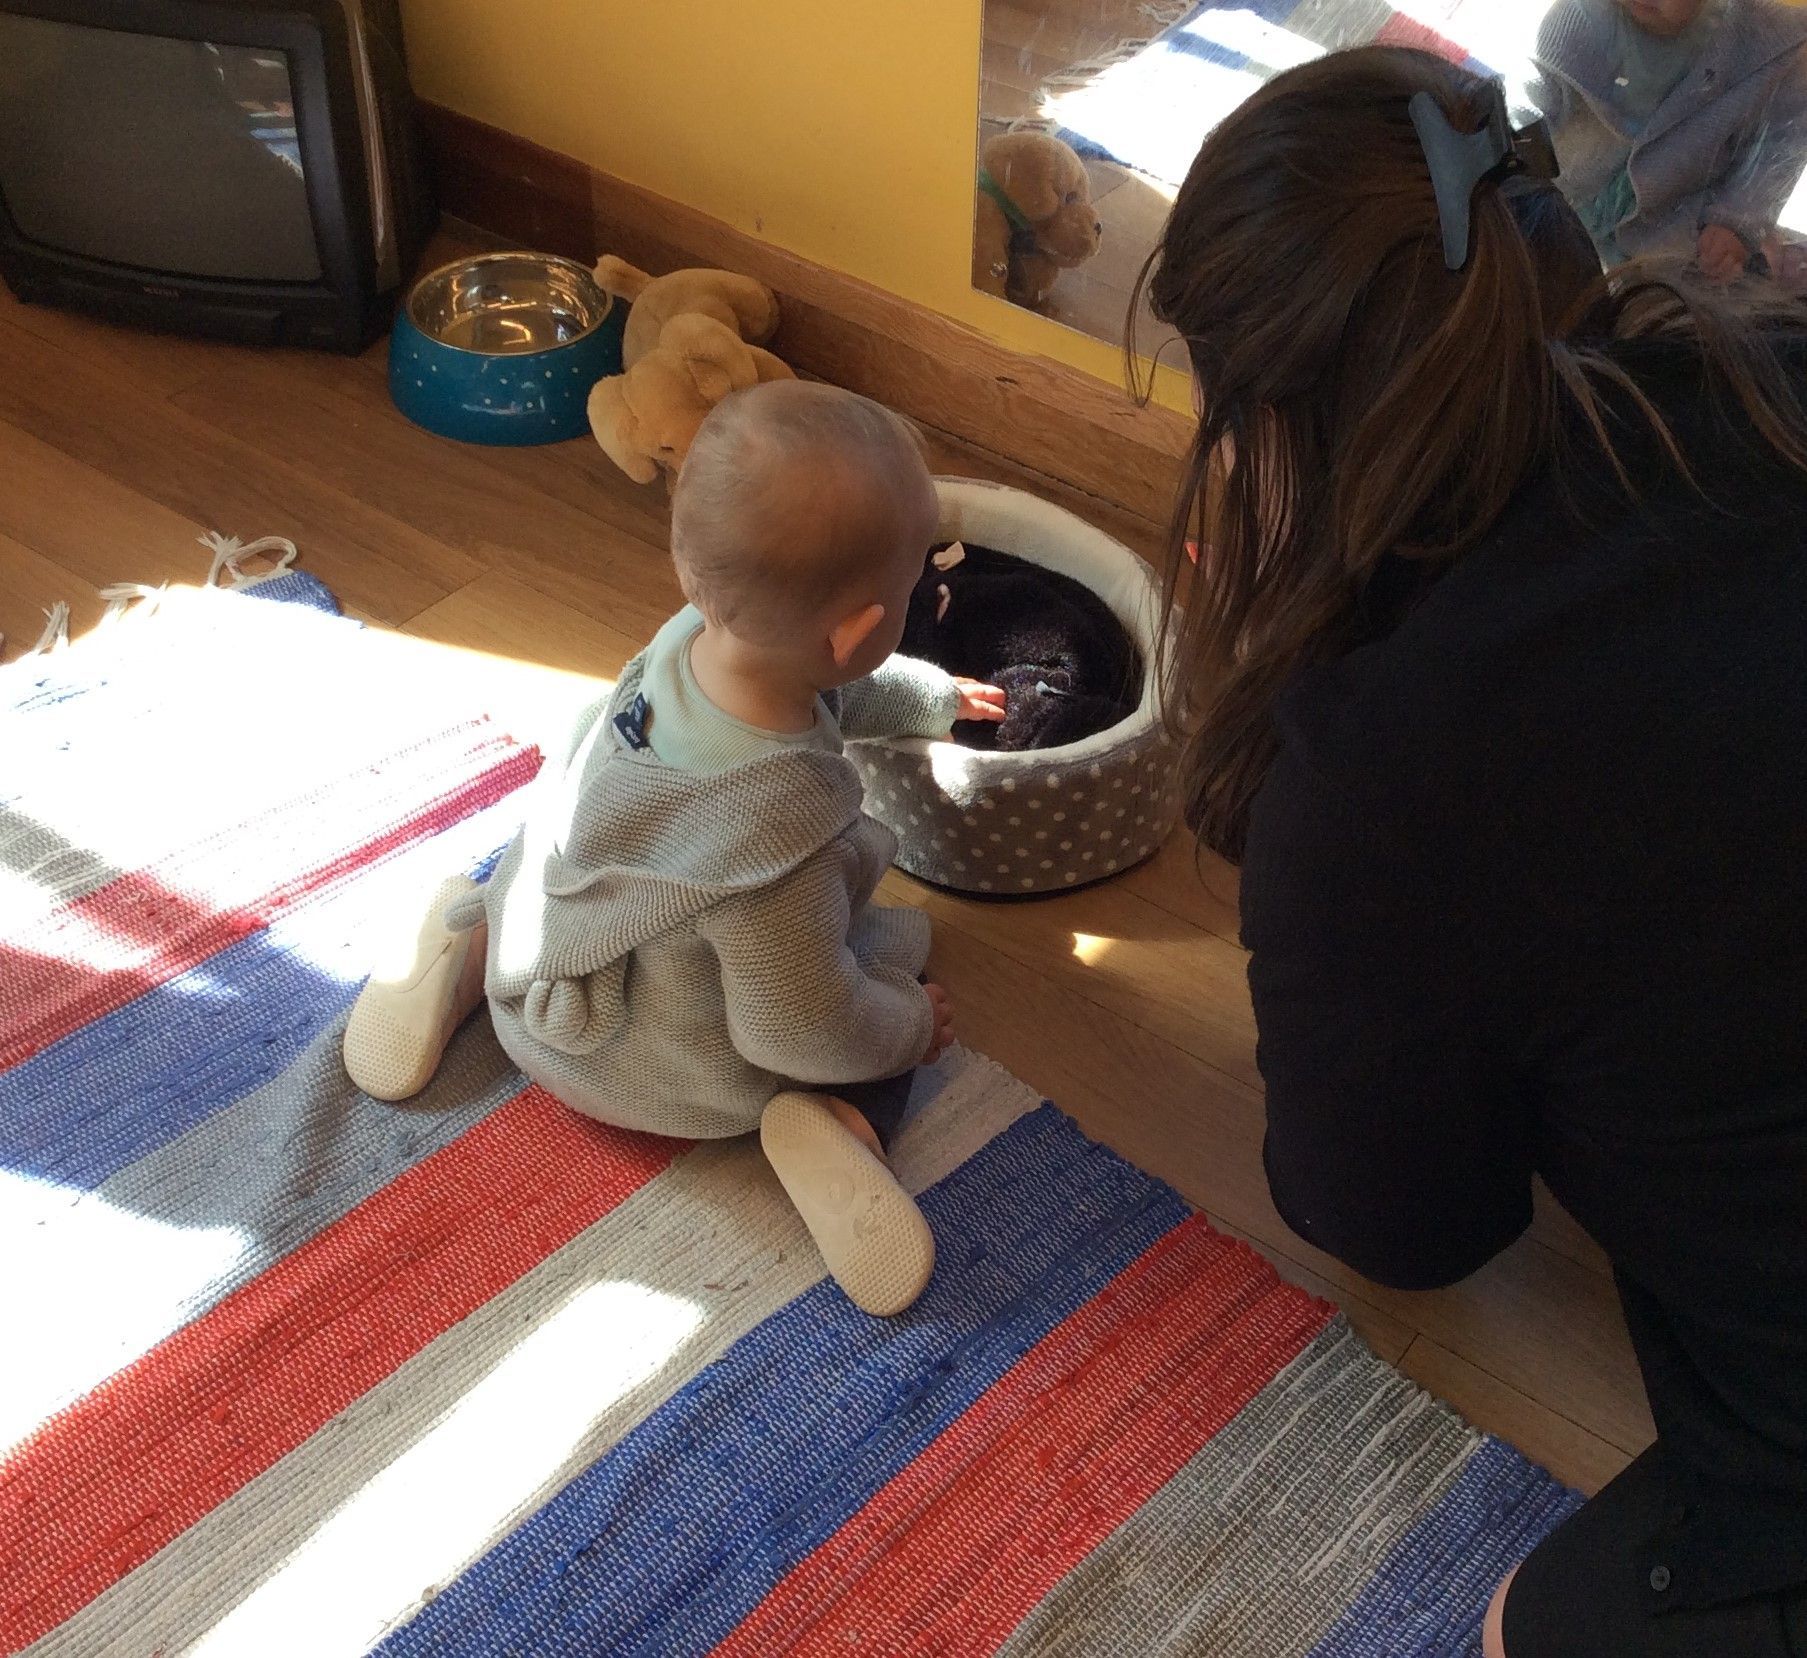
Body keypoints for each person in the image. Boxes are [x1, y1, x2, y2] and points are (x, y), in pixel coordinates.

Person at [1137, 45, 1807, 1657]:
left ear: (1270, 431)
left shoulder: (1380, 767)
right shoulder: (1765, 374)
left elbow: (1407, 1225)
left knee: (1519, 1629)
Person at [342, 380, 1006, 1317]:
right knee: (877, 1014)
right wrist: (904, 1028)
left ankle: (471, 945)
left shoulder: (693, 644)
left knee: (551, 862)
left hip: (552, 948)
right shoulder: (777, 839)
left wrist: (930, 696)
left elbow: (829, 689)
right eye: (907, 594)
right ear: (862, 627)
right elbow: (793, 1026)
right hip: (648, 1070)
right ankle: (835, 1126)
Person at [1527, 0, 1807, 281]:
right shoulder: (1577, 22)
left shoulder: (1766, 40)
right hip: (1567, 216)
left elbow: (1783, 141)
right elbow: (1534, 121)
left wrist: (1736, 222)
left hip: (1678, 234)